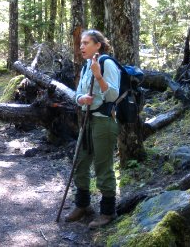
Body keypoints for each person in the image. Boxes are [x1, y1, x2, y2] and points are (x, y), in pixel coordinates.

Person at [65, 29, 120, 229]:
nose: (81, 47)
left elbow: (113, 96)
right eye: (81, 43)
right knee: (80, 161)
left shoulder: (107, 64)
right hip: (87, 121)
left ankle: (107, 212)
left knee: (102, 167)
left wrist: (99, 76)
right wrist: (81, 99)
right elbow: (78, 93)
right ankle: (83, 205)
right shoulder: (87, 65)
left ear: (98, 45)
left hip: (104, 121)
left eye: (86, 43)